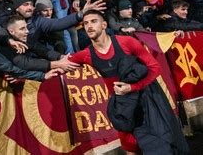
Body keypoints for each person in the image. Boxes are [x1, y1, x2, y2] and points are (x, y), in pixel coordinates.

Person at [69, 10, 188, 154]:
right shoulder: (86, 54)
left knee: (162, 143)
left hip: (146, 100)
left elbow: (155, 67)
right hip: (123, 107)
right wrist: (49, 70)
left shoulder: (126, 42)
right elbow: (63, 63)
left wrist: (132, 87)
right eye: (86, 23)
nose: (89, 26)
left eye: (94, 21)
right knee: (130, 145)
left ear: (104, 25)